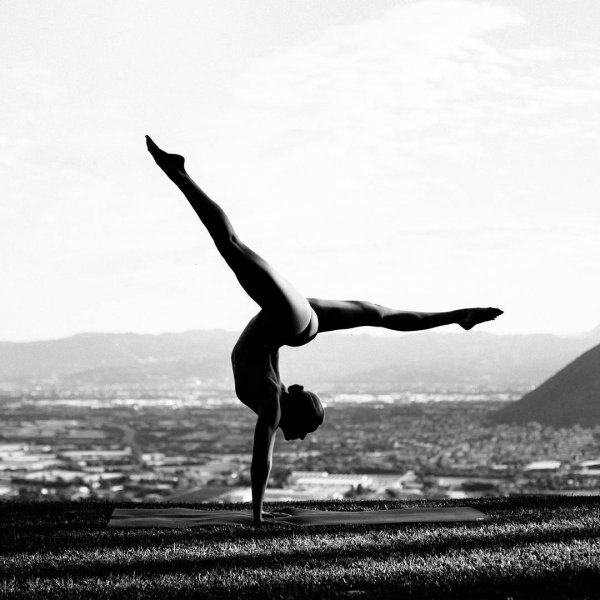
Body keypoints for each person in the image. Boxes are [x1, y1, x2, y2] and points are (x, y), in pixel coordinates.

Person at [145, 135, 503, 525]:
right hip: (291, 319)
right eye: (303, 432)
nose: (298, 439)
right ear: (294, 415)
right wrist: (257, 516)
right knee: (231, 244)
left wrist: (259, 514)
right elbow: (261, 457)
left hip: (292, 322)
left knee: (378, 313)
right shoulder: (272, 398)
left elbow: (269, 358)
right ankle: (179, 173)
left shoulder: (273, 391)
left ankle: (457, 316)